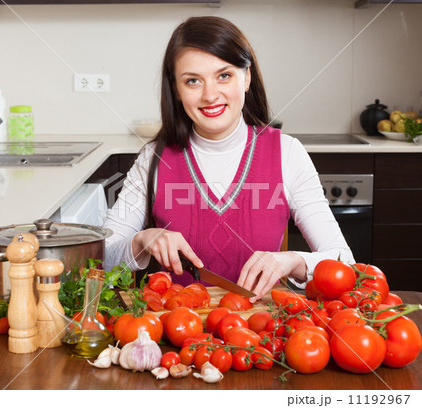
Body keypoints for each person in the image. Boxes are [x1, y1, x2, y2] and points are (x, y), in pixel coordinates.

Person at [104, 16, 354, 301]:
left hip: (261, 330)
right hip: (176, 332)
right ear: (176, 89)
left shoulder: (287, 153)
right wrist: (142, 241)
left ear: (246, 77)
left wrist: (293, 261)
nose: (210, 95)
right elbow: (103, 257)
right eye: (193, 81)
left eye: (224, 75)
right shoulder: (154, 158)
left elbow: (345, 262)